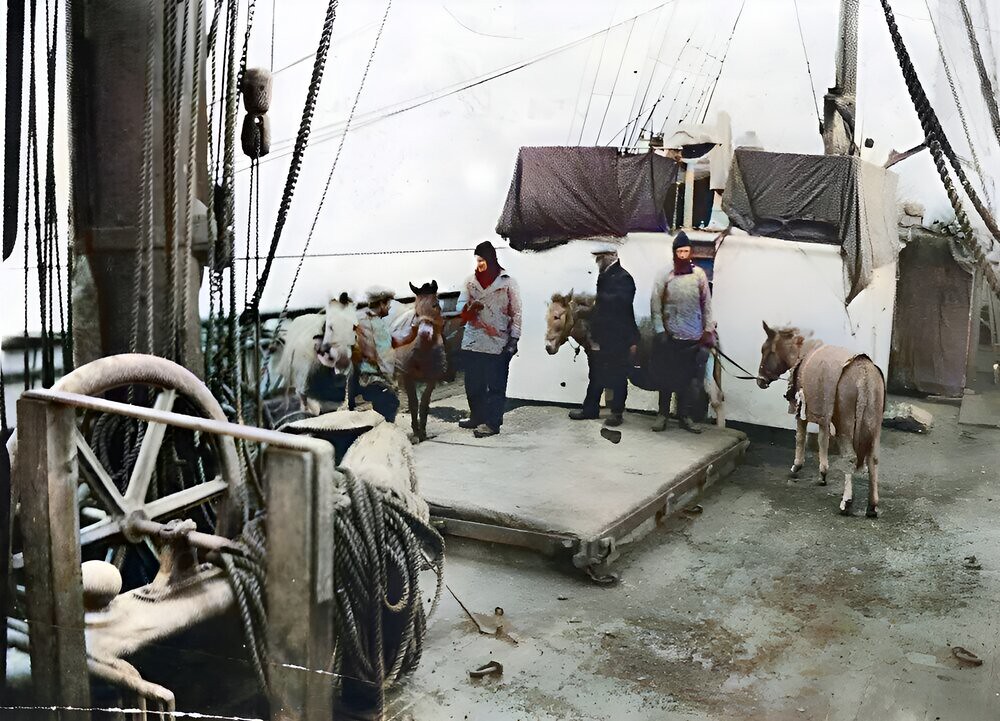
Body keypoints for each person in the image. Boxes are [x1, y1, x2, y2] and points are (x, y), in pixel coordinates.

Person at [649, 231, 715, 434]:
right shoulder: (664, 274)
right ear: (674, 253)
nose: (684, 255)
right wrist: (660, 330)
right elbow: (655, 303)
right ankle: (662, 415)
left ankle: (684, 416)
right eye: (680, 251)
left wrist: (707, 330)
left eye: (687, 251)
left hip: (692, 338)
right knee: (666, 378)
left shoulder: (699, 275)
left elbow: (707, 304)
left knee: (687, 380)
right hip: (670, 338)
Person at [456, 241, 522, 438]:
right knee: (473, 384)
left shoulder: (508, 282)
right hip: (474, 340)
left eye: (482, 260)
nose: (479, 264)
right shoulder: (470, 282)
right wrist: (469, 308)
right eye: (477, 260)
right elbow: (460, 306)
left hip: (498, 342)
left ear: (492, 259)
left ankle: (492, 423)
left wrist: (514, 340)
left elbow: (516, 312)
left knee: (495, 385)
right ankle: (477, 416)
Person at [569, 243, 639, 427]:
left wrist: (598, 301)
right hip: (603, 334)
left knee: (618, 374)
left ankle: (616, 412)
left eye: (600, 257)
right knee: (596, 373)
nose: (598, 261)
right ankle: (590, 409)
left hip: (619, 336)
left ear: (611, 256)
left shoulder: (623, 277)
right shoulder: (606, 276)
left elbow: (622, 303)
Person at [348, 285, 401, 422]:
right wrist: (392, 383)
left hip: (355, 377)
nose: (389, 307)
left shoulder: (359, 317)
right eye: (388, 303)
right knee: (391, 403)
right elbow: (385, 358)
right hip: (374, 377)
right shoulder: (378, 325)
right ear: (382, 303)